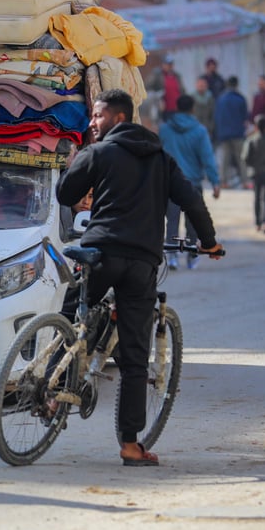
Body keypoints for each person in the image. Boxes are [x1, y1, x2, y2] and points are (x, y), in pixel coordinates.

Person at [56, 89, 222, 466]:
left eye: (96, 116)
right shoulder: (162, 159)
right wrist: (209, 243)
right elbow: (191, 200)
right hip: (142, 262)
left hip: (100, 253)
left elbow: (66, 194)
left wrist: (74, 167)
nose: (91, 123)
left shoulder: (97, 153)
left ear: (117, 118)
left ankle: (52, 392)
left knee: (67, 317)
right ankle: (131, 446)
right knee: (134, 358)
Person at [158, 94, 221, 269]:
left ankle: (172, 256)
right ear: (193, 109)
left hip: (170, 183)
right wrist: (215, 182)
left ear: (176, 108)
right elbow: (207, 158)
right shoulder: (200, 131)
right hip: (192, 182)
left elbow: (157, 155)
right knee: (193, 219)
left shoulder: (164, 129)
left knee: (171, 220)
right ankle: (192, 254)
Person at [213, 75, 250, 189]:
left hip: (224, 133)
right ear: (236, 85)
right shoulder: (240, 99)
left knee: (225, 159)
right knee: (241, 158)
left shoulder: (220, 99)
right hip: (237, 133)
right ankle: (245, 182)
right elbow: (245, 117)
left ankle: (224, 181)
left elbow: (216, 116)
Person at [191, 76, 217, 141]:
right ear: (196, 85)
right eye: (200, 85)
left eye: (203, 85)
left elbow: (213, 114)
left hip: (207, 129)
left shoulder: (210, 98)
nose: (201, 87)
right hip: (194, 128)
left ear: (206, 86)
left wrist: (211, 127)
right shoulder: (191, 98)